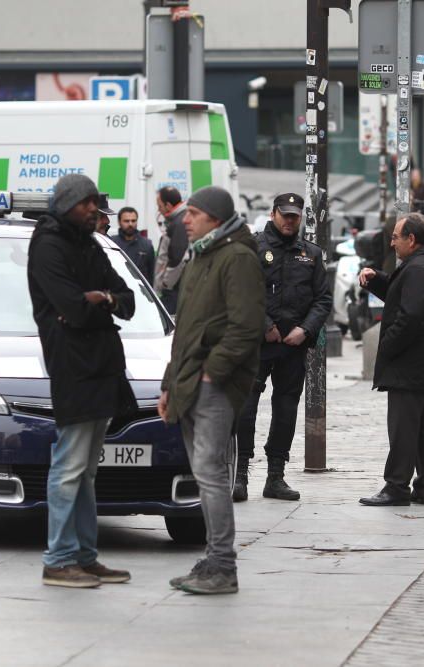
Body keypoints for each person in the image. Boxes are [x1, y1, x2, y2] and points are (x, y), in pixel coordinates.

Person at [27, 173, 137, 589]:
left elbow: (125, 299)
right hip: (73, 366)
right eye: (88, 201)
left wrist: (103, 300)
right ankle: (58, 559)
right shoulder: (49, 245)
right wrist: (92, 303)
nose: (95, 208)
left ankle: (84, 556)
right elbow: (72, 309)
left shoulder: (87, 243)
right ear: (68, 203)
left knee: (86, 469)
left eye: (96, 201)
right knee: (70, 465)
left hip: (101, 364)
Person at [158, 186, 264, 594]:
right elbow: (185, 330)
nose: (186, 219)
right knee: (204, 474)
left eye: (195, 213)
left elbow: (245, 327)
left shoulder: (236, 258)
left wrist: (211, 374)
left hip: (213, 384)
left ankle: (223, 565)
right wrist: (171, 382)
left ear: (215, 218)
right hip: (190, 380)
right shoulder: (204, 253)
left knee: (210, 473)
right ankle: (213, 559)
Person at [234, 193, 332, 502]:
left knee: (286, 408)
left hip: (293, 346)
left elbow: (323, 299)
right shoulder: (253, 246)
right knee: (246, 407)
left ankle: (276, 475)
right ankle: (240, 474)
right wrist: (266, 327)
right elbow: (242, 290)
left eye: (295, 216)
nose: (290, 221)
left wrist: (305, 331)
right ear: (274, 214)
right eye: (285, 215)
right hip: (258, 344)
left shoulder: (310, 254)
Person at [358, 213, 424, 506]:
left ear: (412, 239)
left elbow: (410, 317)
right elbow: (405, 299)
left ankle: (397, 486)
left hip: (410, 365)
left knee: (404, 427)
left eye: (396, 236)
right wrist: (378, 281)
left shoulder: (418, 269)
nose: (392, 242)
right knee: (423, 426)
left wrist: (385, 347)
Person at [153, 186, 189, 314]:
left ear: (168, 205)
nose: (159, 210)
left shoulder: (179, 223)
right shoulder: (178, 220)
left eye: (160, 206)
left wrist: (165, 284)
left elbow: (177, 259)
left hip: (173, 289)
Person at [112, 206, 155, 284]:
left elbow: (151, 274)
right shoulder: (111, 243)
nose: (130, 224)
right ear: (119, 222)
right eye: (126, 221)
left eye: (133, 221)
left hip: (141, 292)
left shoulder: (147, 245)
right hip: (118, 291)